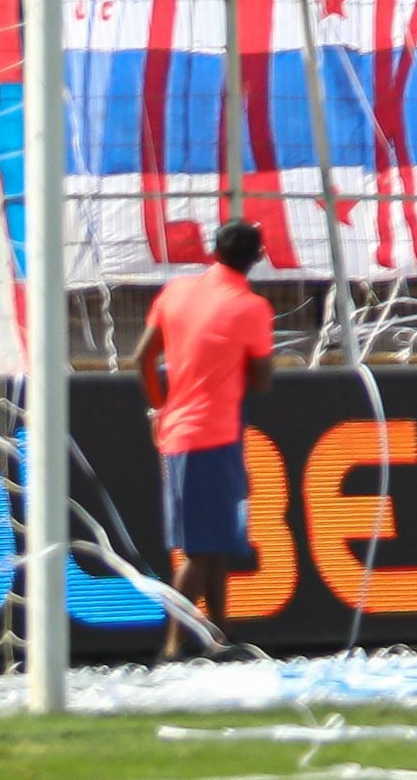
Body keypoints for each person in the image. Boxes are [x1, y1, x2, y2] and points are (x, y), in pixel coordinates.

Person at [127, 219, 275, 654]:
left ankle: (220, 637)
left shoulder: (176, 292)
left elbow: (142, 358)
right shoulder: (251, 307)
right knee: (201, 550)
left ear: (213, 250)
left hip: (182, 432)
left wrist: (159, 406)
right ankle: (174, 648)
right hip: (213, 435)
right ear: (258, 257)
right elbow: (263, 378)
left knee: (218, 542)